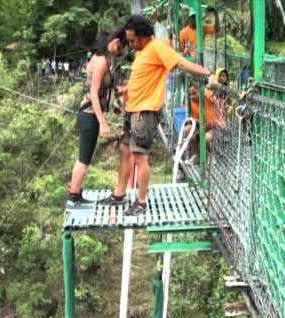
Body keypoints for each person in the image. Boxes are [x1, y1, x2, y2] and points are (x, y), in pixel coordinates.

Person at [98, 15, 216, 215]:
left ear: (144, 36)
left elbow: (180, 63)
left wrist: (207, 74)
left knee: (139, 156)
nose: (131, 44)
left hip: (144, 113)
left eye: (133, 40)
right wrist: (125, 89)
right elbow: (145, 78)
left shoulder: (157, 48)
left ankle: (141, 202)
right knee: (125, 150)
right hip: (132, 109)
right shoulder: (143, 51)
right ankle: (119, 194)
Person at [67, 28, 128, 207]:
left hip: (93, 113)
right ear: (115, 42)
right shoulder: (101, 60)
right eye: (122, 47)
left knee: (86, 157)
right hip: (89, 114)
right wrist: (103, 123)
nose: (123, 51)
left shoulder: (107, 59)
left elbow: (107, 89)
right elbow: (94, 92)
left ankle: (76, 193)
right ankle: (73, 196)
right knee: (84, 158)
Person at [184, 83, 225, 164]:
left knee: (206, 137)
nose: (192, 97)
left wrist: (205, 91)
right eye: (190, 94)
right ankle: (197, 155)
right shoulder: (192, 102)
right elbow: (196, 120)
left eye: (195, 93)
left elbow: (215, 101)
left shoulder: (207, 96)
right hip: (202, 126)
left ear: (200, 91)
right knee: (188, 130)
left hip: (215, 126)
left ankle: (211, 155)